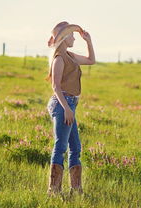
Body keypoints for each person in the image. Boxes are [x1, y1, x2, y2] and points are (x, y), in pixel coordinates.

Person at [45, 21, 95, 196]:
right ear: (65, 38)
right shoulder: (59, 58)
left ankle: (76, 189)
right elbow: (55, 87)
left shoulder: (70, 55)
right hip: (62, 104)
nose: (74, 37)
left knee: (76, 147)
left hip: (69, 104)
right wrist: (66, 109)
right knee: (61, 146)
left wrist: (88, 41)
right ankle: (54, 190)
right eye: (72, 35)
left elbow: (91, 60)